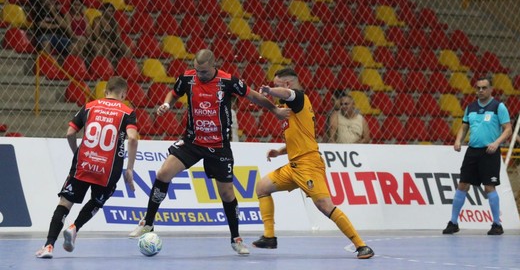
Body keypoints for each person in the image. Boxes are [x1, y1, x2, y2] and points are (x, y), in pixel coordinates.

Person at [128, 49, 290, 255]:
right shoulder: (188, 78)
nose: (200, 75)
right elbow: (174, 92)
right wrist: (167, 103)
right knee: (163, 174)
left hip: (219, 145)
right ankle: (148, 222)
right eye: (197, 70)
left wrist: (274, 110)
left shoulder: (228, 81)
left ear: (214, 65)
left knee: (227, 193)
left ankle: (236, 238)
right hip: (192, 141)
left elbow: (254, 96)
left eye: (203, 72)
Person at [252, 68, 375, 259]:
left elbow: (287, 93)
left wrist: (269, 91)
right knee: (262, 187)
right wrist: (280, 151)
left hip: (308, 165)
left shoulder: (298, 97)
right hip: (293, 166)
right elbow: (301, 137)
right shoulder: (291, 109)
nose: (276, 89)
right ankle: (269, 237)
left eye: (277, 84)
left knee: (325, 206)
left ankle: (361, 246)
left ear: (287, 84)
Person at [36, 76, 139, 258]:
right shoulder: (127, 112)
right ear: (123, 94)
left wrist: (77, 153)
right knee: (97, 201)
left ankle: (48, 246)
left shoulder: (90, 106)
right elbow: (132, 138)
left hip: (84, 163)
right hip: (108, 169)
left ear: (105, 91)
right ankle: (75, 227)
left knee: (65, 203)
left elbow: (70, 133)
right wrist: (129, 168)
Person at [443, 77, 512, 236]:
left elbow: (507, 129)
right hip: (472, 151)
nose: (481, 90)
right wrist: (458, 140)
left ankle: (496, 224)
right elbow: (464, 126)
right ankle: (453, 222)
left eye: (484, 87)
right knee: (462, 184)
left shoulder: (498, 107)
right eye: (478, 88)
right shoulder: (471, 107)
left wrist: (496, 143)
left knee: (489, 187)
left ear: (491, 89)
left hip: (490, 152)